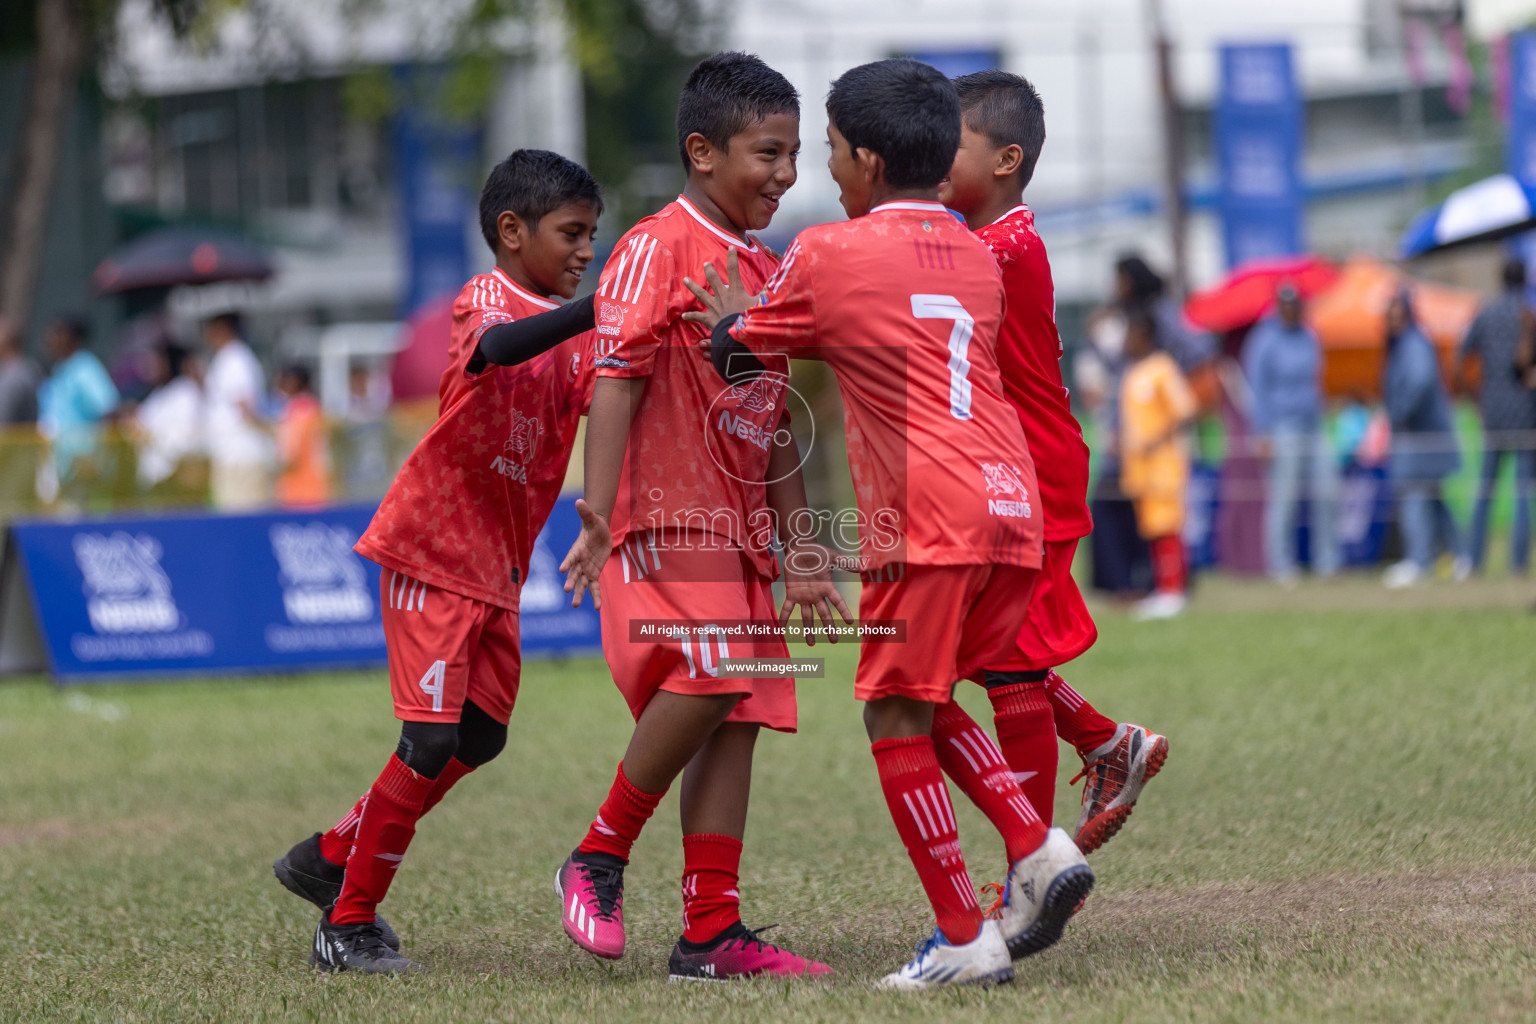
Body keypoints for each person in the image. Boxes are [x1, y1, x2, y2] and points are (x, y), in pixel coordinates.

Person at [690, 57, 1093, 990]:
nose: (820, 170)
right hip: (1008, 511)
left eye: (829, 149)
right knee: (931, 694)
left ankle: (962, 936)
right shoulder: (971, 248)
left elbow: (737, 350)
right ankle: (1038, 850)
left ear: (868, 160)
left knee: (888, 713)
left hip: (927, 520)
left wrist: (730, 320)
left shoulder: (831, 251)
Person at [272, 149, 609, 973]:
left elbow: (623, 387)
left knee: (482, 737)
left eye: (593, 237)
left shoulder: (577, 342)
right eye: (571, 233)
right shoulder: (485, 299)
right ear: (511, 230)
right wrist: (601, 309)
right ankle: (346, 923)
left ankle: (329, 855)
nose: (583, 250)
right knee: (426, 741)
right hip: (431, 549)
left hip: (495, 570)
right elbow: (496, 349)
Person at [552, 52, 840, 982]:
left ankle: (710, 934)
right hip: (668, 521)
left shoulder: (768, 265)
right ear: (701, 151)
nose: (787, 174)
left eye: (796, 154)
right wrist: (598, 512)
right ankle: (598, 853)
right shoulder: (655, 245)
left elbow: (769, 420)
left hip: (743, 532)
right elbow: (614, 374)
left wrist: (801, 551)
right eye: (768, 152)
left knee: (739, 715)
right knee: (716, 677)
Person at [938, 69, 1168, 858]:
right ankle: (1106, 744)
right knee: (982, 652)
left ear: (1005, 161)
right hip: (1009, 472)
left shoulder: (999, 249)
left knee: (1005, 667)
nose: (934, 157)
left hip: (1029, 475)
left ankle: (1027, 871)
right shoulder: (986, 243)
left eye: (950, 143)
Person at [1243, 283, 1340, 583]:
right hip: (1281, 426)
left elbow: (1316, 380)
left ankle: (1328, 561)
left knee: (1328, 490)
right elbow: (1257, 389)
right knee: (1284, 496)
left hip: (1313, 423)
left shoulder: (1310, 336)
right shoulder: (1264, 340)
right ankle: (1280, 564)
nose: (1291, 310)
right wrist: (1262, 434)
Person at [1456, 256, 1534, 576]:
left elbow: (1460, 358)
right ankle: (1517, 565)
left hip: (1493, 414)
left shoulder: (1485, 312)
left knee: (1484, 492)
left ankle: (1474, 562)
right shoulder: (1528, 315)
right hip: (1526, 415)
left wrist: (1476, 398)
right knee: (1522, 495)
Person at [1120, 308, 1198, 620]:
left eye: (1131, 335)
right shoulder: (1132, 372)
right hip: (1140, 467)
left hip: (1163, 463)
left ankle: (1174, 590)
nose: (1126, 341)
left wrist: (1156, 438)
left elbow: (1185, 410)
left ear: (1145, 336)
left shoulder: (1163, 368)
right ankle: (1162, 588)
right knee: (1153, 528)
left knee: (1169, 527)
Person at [1382, 291, 1462, 588]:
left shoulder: (1414, 344)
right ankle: (1460, 555)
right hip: (1423, 436)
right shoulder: (1405, 344)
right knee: (1432, 498)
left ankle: (1419, 560)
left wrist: (1400, 410)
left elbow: (1420, 381)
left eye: (1398, 316)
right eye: (1390, 317)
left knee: (1415, 496)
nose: (1393, 322)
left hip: (1420, 436)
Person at [37, 315, 119, 506]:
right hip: (61, 469)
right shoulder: (60, 370)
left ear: (71, 337)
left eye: (58, 332)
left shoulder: (85, 368)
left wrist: (96, 456)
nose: (51, 339)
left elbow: (108, 410)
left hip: (83, 467)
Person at [201, 311, 272, 511]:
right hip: (231, 453)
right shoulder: (227, 358)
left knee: (242, 517)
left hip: (241, 455)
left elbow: (246, 405)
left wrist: (267, 435)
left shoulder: (235, 358)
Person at [129, 343, 205, 500]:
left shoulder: (185, 392)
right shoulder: (157, 394)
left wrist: (150, 436)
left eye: (158, 361)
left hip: (176, 478)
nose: (152, 366)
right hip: (154, 479)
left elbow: (185, 437)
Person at [273, 364, 330, 509]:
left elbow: (290, 453)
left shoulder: (298, 410)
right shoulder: (315, 407)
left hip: (298, 487)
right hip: (317, 484)